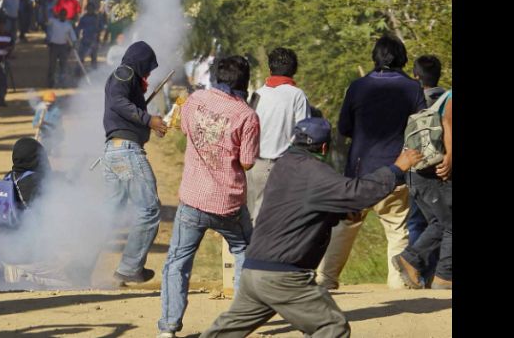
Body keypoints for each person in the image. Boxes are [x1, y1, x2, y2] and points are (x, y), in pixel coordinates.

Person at [198, 118, 424, 338]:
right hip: (283, 276)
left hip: (254, 271)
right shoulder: (315, 173)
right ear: (325, 147)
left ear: (293, 140)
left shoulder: (282, 165)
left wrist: (339, 211)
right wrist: (395, 169)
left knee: (225, 331)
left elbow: (301, 206)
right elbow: (357, 193)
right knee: (332, 327)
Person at [157, 56, 259, 338]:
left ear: (216, 76)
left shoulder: (195, 100)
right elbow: (248, 162)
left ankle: (167, 328)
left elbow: (187, 131)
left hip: (192, 197)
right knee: (243, 251)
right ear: (245, 81)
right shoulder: (247, 115)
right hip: (228, 202)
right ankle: (238, 324)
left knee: (177, 261)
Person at [316, 34, 426, 290]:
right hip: (397, 170)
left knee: (346, 226)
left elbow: (343, 128)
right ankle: (398, 285)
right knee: (397, 229)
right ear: (401, 58)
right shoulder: (412, 88)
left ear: (375, 58)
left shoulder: (358, 86)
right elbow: (419, 129)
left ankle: (326, 281)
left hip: (359, 172)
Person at [102, 41, 168, 284]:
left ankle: (80, 262)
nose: (149, 74)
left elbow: (124, 107)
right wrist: (148, 120)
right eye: (148, 68)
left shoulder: (127, 77)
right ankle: (130, 267)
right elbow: (118, 102)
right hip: (127, 152)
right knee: (149, 210)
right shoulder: (125, 72)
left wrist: (149, 123)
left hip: (115, 152)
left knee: (108, 214)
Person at [393, 89, 452, 290]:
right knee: (450, 222)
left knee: (440, 222)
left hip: (417, 171)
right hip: (430, 171)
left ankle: (411, 261)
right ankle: (444, 277)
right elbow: (447, 121)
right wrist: (450, 155)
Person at [246, 47, 311, 219]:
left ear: (270, 69)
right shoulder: (298, 96)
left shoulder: (257, 94)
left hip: (254, 166)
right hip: (284, 168)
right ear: (294, 71)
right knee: (279, 220)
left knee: (252, 218)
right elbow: (304, 134)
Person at [0, 138, 51, 285]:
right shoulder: (38, 182)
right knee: (70, 276)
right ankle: (19, 274)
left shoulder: (8, 178)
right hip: (27, 255)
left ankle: (2, 267)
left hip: (5, 250)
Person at [405, 54, 446, 280]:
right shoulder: (446, 99)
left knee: (418, 222)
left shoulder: (413, 102)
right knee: (440, 221)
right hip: (442, 170)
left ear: (416, 76)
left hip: (415, 169)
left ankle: (416, 273)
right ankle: (434, 273)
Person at [46, 9, 77, 88]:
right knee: (52, 65)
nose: (62, 16)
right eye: (61, 14)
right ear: (59, 15)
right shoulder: (54, 22)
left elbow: (73, 36)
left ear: (66, 16)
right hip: (54, 46)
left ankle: (62, 82)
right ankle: (50, 82)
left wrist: (73, 44)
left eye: (64, 15)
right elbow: (46, 22)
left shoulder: (68, 25)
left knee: (63, 65)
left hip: (63, 47)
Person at [75, 4, 105, 69]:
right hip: (85, 40)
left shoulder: (97, 18)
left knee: (94, 57)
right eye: (89, 8)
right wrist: (76, 36)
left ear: (94, 9)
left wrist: (98, 32)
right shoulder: (84, 18)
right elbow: (79, 28)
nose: (90, 10)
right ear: (87, 9)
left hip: (94, 40)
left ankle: (94, 72)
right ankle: (78, 71)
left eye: (91, 8)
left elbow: (102, 28)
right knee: (81, 56)